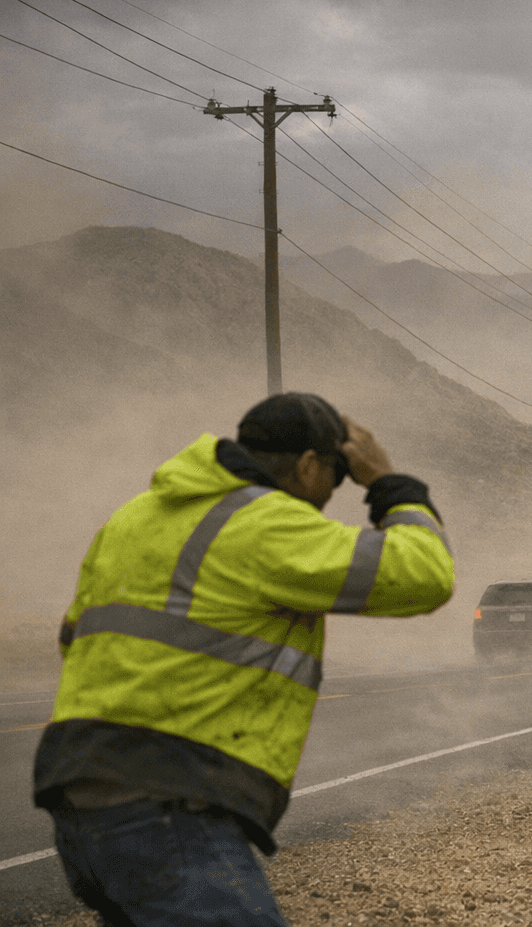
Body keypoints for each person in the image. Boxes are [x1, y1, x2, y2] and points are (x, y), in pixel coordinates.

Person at [33, 392, 455, 927]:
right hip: (172, 806)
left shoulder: (133, 518)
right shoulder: (267, 523)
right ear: (307, 465)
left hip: (80, 802)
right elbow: (424, 574)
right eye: (336, 477)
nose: (329, 495)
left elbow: (76, 637)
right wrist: (389, 483)